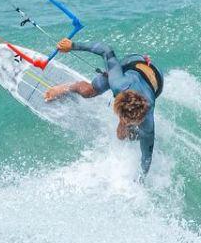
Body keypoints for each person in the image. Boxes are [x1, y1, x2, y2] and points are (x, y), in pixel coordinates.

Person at [44, 38, 163, 177]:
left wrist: (141, 180)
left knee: (123, 135)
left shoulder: (147, 122)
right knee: (88, 91)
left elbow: (146, 158)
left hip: (156, 80)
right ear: (118, 98)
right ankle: (67, 87)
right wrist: (73, 45)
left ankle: (132, 130)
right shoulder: (118, 82)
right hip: (132, 63)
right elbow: (105, 49)